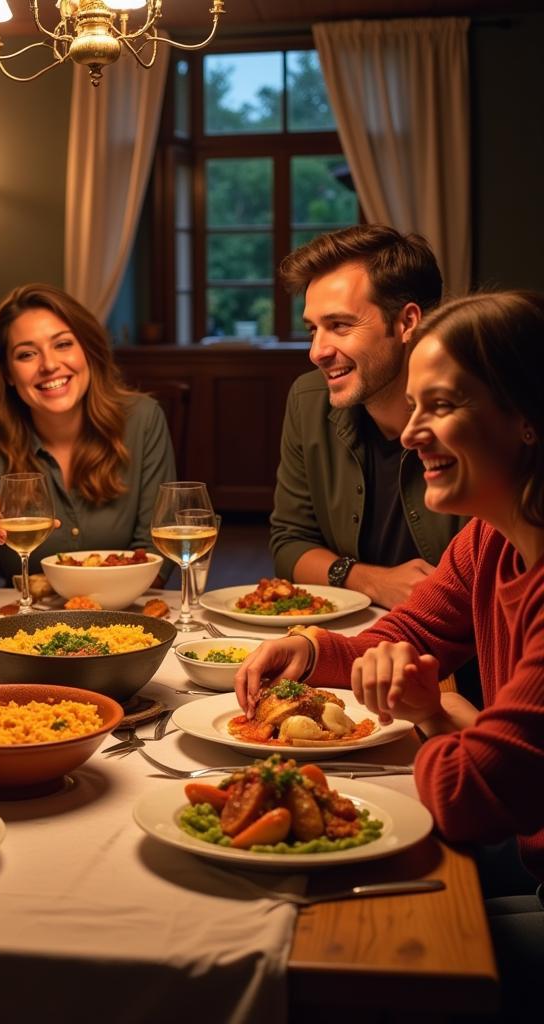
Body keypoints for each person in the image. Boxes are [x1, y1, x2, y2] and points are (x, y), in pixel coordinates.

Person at [235, 291, 544, 1011]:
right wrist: (311, 646)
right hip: (521, 848)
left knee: (345, 969)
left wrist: (436, 711)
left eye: (441, 405)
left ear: (527, 417)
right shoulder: (490, 538)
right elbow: (400, 637)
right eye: (413, 407)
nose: (411, 433)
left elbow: (468, 798)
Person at [0, 283, 177, 590]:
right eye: (27, 354)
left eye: (63, 344)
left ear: (88, 350)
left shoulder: (143, 419)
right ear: (7, 373)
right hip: (23, 627)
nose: (50, 365)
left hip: (127, 621)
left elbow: (156, 554)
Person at [271, 225, 465, 610]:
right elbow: (289, 542)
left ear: (407, 322)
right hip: (353, 640)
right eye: (313, 329)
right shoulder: (309, 401)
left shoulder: (478, 412)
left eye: (340, 325)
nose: (317, 351)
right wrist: (371, 581)